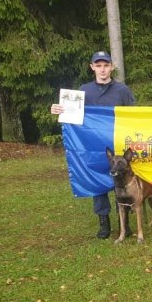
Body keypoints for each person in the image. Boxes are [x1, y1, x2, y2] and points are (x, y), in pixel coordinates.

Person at [50, 51, 135, 239]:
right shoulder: (83, 91)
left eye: (106, 65)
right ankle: (103, 222)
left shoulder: (123, 90)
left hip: (118, 145)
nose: (102, 69)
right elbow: (72, 116)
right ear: (92, 67)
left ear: (112, 67)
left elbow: (134, 116)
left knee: (122, 182)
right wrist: (59, 110)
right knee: (97, 182)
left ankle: (125, 224)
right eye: (99, 65)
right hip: (94, 147)